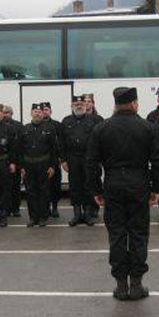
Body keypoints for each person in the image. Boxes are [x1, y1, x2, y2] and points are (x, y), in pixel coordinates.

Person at [86, 87, 159, 301]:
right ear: (134, 103)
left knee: (117, 234)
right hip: (139, 184)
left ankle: (121, 285)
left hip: (112, 184)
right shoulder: (147, 127)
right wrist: (156, 189)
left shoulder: (102, 128)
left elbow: (91, 163)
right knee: (138, 233)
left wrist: (96, 191)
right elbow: (158, 161)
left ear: (115, 104)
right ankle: (136, 284)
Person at [61, 95, 98, 226]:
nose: (79, 105)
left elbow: (97, 142)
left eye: (81, 103)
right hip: (72, 158)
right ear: (72, 106)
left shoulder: (93, 120)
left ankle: (87, 214)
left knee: (88, 185)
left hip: (88, 158)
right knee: (75, 185)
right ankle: (77, 215)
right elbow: (62, 143)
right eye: (76, 104)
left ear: (85, 105)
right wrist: (63, 160)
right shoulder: (65, 121)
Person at [21, 103, 59, 227]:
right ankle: (33, 217)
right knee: (31, 192)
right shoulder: (25, 128)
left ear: (43, 114)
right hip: (29, 165)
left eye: (39, 112)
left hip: (44, 164)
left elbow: (54, 149)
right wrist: (22, 167)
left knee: (44, 192)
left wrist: (53, 166)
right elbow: (20, 149)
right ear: (31, 113)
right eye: (35, 111)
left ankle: (43, 217)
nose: (37, 113)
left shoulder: (49, 128)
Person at [41, 102, 63, 218]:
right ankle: (46, 207)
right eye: (43, 109)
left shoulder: (57, 125)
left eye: (47, 109)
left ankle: (54, 207)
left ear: (50, 111)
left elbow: (61, 143)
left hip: (54, 161)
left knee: (55, 185)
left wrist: (61, 158)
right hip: (42, 161)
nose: (45, 111)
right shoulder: (38, 125)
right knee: (44, 186)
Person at [2, 105, 25, 217]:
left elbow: (22, 144)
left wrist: (20, 163)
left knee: (15, 187)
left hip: (16, 161)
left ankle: (15, 209)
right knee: (5, 187)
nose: (6, 115)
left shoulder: (18, 126)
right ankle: (6, 209)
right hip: (3, 162)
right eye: (4, 112)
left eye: (8, 113)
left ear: (11, 113)